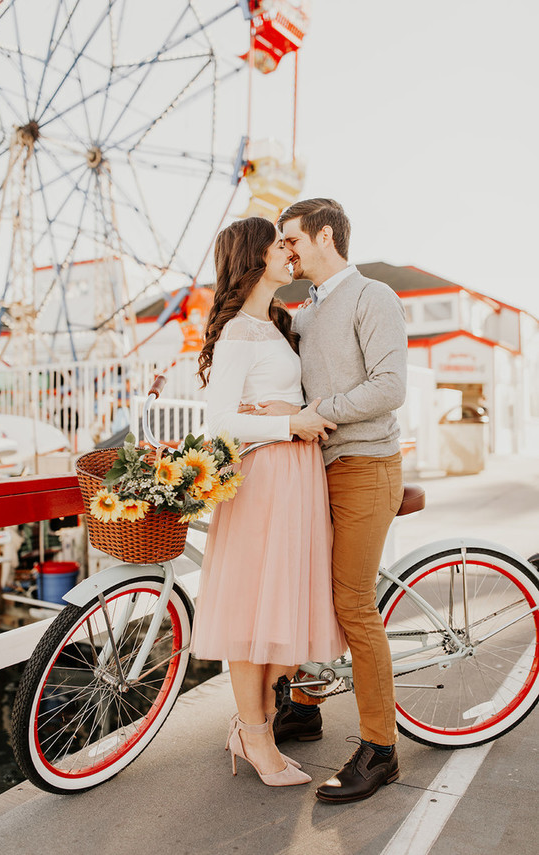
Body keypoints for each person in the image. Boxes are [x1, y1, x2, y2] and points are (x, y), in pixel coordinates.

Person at [253, 198, 408, 804]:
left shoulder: (373, 296)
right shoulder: (306, 312)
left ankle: (381, 749)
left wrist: (315, 414)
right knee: (310, 593)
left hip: (366, 465)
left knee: (352, 604)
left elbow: (389, 387)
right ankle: (305, 709)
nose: (285, 250)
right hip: (318, 470)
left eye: (291, 239)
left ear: (324, 236)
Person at [190, 216, 346, 788]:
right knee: (254, 614)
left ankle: (250, 726)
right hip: (265, 477)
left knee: (281, 618)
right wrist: (289, 423)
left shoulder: (275, 324)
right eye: (278, 244)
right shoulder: (237, 332)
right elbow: (217, 425)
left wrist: (287, 417)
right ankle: (256, 739)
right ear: (254, 257)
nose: (289, 252)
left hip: (292, 476)